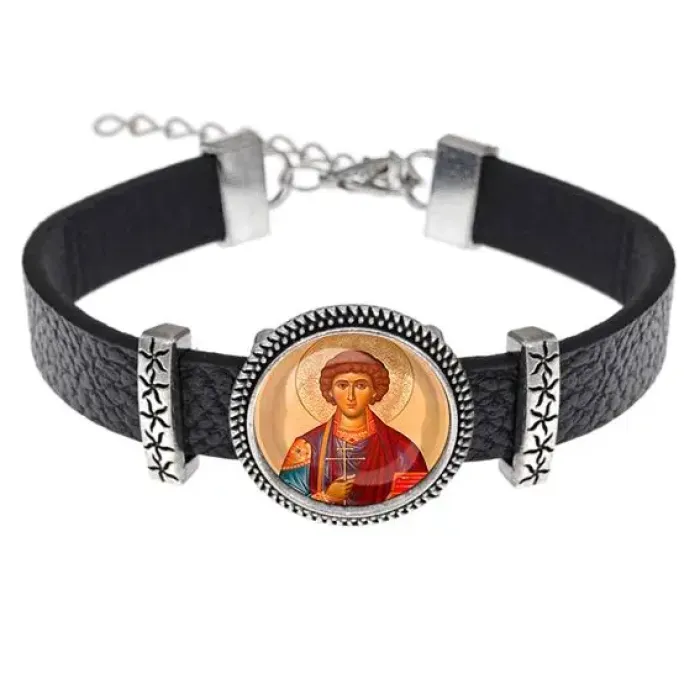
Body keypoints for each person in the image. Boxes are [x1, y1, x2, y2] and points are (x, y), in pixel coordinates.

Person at [280, 349, 428, 505]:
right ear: (330, 391)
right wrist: (326, 497)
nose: (350, 396)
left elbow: (414, 504)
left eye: (361, 386)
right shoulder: (306, 447)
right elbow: (287, 503)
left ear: (374, 391)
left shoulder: (402, 450)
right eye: (342, 385)